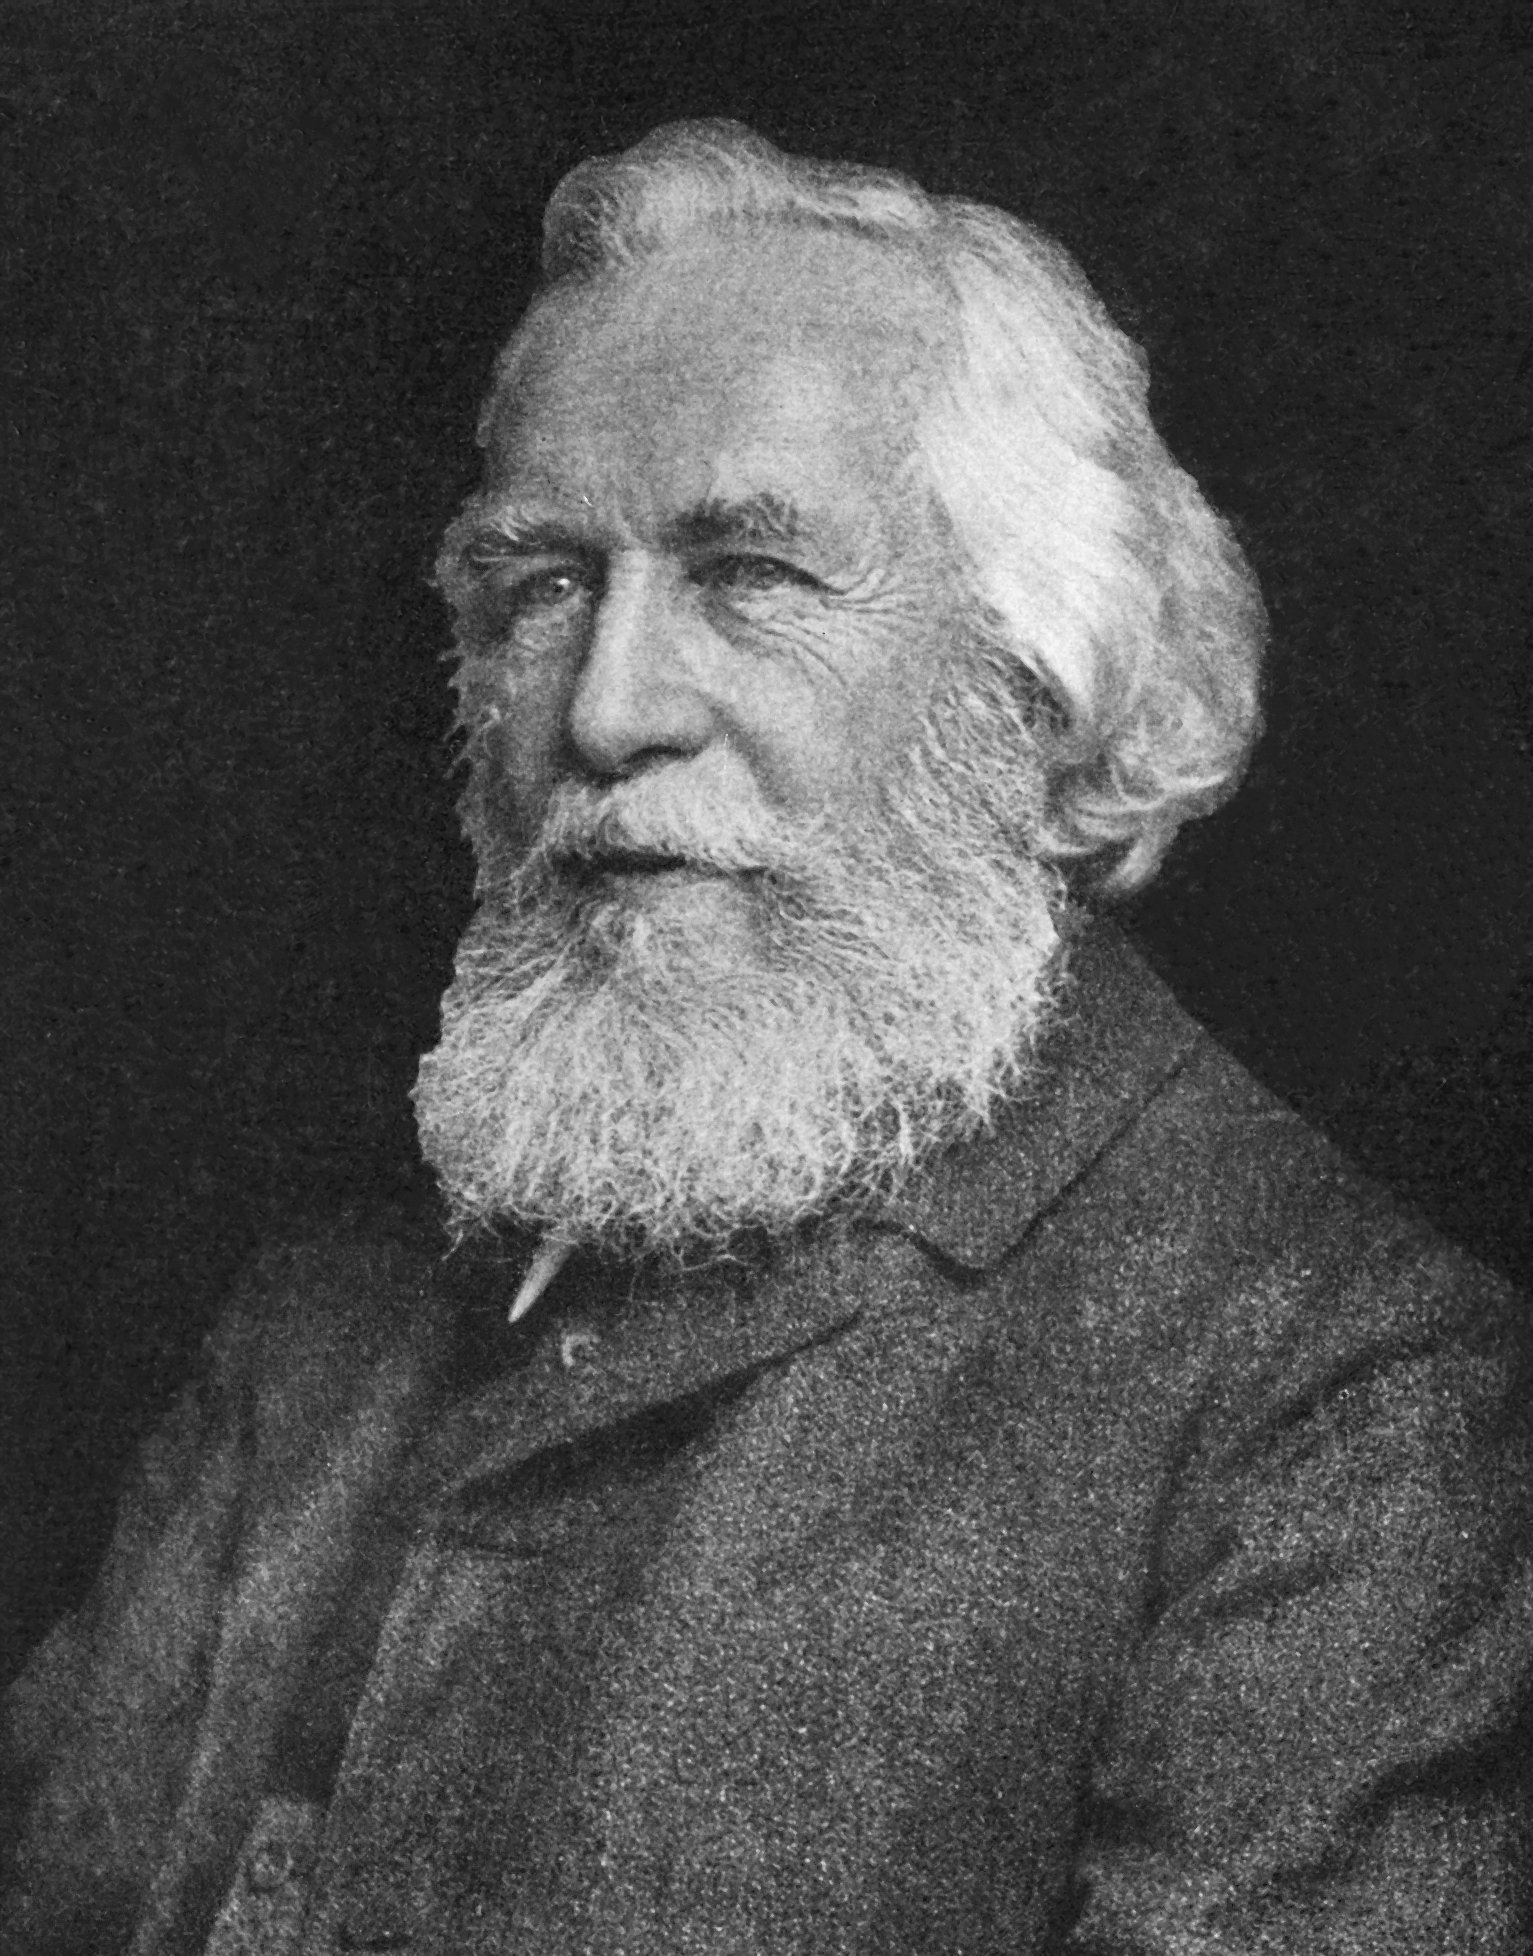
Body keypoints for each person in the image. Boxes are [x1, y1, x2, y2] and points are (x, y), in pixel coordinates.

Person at [4, 119, 1530, 1955]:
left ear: (1045, 680)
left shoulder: (1339, 1398)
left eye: (750, 576)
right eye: (542, 585)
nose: (607, 712)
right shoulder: (312, 1323)